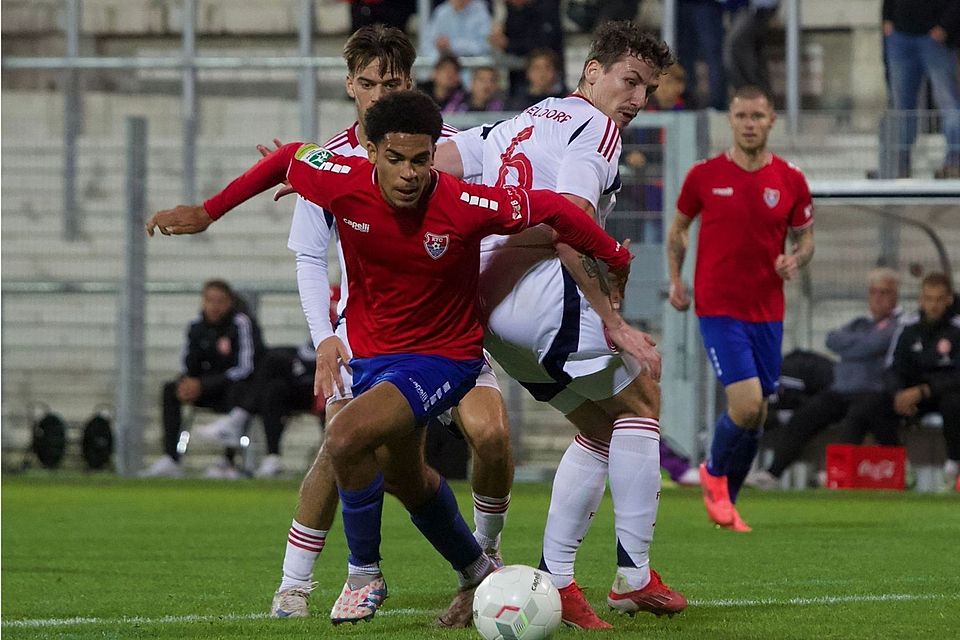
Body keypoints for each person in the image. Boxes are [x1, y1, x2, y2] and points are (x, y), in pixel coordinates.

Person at [150, 89, 633, 627]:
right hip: (373, 356)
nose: (409, 173)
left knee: (344, 435)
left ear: (434, 154)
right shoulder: (340, 179)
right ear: (370, 151)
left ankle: (364, 575)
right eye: (396, 159)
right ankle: (477, 571)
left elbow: (553, 209)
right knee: (408, 478)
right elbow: (288, 157)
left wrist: (614, 255)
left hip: (443, 358)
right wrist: (205, 212)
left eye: (422, 160)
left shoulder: (465, 203)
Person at [147, 25, 516, 626]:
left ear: (410, 83)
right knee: (346, 447)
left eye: (390, 83)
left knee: (492, 435)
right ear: (349, 85)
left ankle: (486, 561)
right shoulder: (334, 161)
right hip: (370, 336)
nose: (377, 95)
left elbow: (501, 206)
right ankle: (295, 588)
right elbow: (309, 256)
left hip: (450, 335)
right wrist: (325, 337)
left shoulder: (451, 148)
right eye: (367, 83)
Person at [437, 20, 686, 627]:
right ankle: (631, 576)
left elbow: (443, 155)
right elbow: (570, 222)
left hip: (492, 310)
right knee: (642, 403)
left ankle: (561, 583)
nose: (637, 100)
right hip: (540, 290)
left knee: (599, 427)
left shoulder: (525, 119)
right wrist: (614, 321)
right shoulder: (596, 129)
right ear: (593, 73)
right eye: (630, 82)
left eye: (648, 90)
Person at [667, 84, 815, 532]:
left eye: (758, 116)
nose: (750, 124)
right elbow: (678, 229)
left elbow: (806, 238)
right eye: (742, 116)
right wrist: (677, 279)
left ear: (772, 121)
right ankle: (712, 471)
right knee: (747, 404)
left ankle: (726, 503)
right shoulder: (704, 175)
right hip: (718, 307)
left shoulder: (790, 179)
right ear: (730, 121)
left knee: (760, 413)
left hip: (767, 310)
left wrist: (795, 258)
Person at [748, 269, 902, 488]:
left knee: (856, 416)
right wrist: (863, 344)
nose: (878, 298)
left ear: (895, 296)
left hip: (873, 390)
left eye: (884, 292)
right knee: (805, 415)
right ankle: (773, 473)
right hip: (840, 389)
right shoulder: (859, 323)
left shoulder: (899, 326)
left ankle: (836, 472)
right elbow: (832, 340)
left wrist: (854, 346)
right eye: (873, 292)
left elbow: (874, 344)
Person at [140, 279, 264, 479]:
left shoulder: (240, 324)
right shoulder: (196, 326)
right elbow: (187, 363)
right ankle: (171, 458)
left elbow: (244, 367)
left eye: (220, 301)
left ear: (230, 302)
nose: (214, 306)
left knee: (239, 389)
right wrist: (186, 383)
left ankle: (229, 461)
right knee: (170, 390)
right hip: (204, 390)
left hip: (229, 388)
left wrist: (203, 384)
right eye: (209, 300)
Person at [881, 272, 960, 492]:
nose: (933, 305)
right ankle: (901, 467)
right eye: (928, 298)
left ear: (948, 300)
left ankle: (953, 467)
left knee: (954, 403)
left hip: (944, 393)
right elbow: (891, 368)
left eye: (939, 299)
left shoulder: (957, 329)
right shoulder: (908, 327)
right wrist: (898, 393)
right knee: (874, 403)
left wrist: (924, 390)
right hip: (914, 396)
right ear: (921, 299)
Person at [882, 0, 960, 179]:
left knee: (948, 102)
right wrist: (887, 19)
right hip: (900, 35)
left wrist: (945, 26)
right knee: (902, 108)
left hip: (935, 38)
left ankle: (954, 163)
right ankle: (898, 166)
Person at [489, 0, 565, 97]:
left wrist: (508, 44)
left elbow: (542, 42)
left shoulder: (547, 10)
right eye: (537, 69)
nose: (542, 74)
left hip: (543, 56)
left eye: (545, 69)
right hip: (516, 76)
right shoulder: (508, 11)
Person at [676, 0, 729, 110]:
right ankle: (687, 100)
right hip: (680, 5)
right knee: (684, 55)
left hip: (707, 5)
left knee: (712, 53)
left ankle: (717, 103)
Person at [723, 0, 780, 95]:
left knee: (735, 49)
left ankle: (752, 96)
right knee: (752, 55)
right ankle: (755, 96)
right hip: (738, 8)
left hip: (755, 8)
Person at [424, 0, 492, 62]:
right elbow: (427, 45)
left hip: (473, 69)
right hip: (444, 65)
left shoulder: (481, 12)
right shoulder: (441, 12)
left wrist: (452, 45)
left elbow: (484, 47)